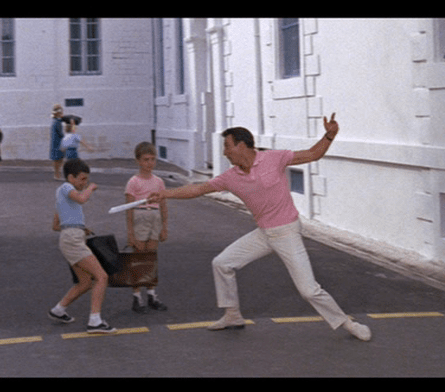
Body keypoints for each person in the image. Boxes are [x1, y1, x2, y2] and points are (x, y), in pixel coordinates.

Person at [148, 113, 371, 341]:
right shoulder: (230, 177)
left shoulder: (274, 158)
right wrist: (164, 194)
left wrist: (329, 136)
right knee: (222, 263)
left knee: (308, 290)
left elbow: (313, 154)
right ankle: (232, 315)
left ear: (241, 145)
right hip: (265, 233)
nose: (224, 152)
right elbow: (198, 189)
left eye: (227, 146)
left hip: (287, 232)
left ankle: (349, 324)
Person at [49, 158, 117, 334]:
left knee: (85, 282)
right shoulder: (66, 188)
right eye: (82, 179)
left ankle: (58, 310)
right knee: (101, 277)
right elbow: (81, 199)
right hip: (73, 239)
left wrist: (79, 227)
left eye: (87, 180)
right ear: (70, 177)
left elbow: (55, 225)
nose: (84, 183)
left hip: (70, 237)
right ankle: (95, 321)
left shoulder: (62, 196)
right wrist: (91, 188)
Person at [124, 142, 169, 313]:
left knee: (150, 258)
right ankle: (137, 297)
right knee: (138, 258)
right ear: (138, 161)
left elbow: (163, 205)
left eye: (152, 159)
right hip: (140, 216)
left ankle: (151, 294)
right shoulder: (133, 182)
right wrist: (130, 233)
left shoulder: (159, 182)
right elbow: (129, 210)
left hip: (154, 217)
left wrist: (164, 227)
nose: (149, 163)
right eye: (145, 159)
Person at [50, 104, 66, 180]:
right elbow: (60, 133)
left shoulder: (54, 121)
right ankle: (57, 175)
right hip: (58, 142)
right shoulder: (57, 122)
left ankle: (57, 174)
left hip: (55, 142)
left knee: (57, 159)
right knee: (58, 159)